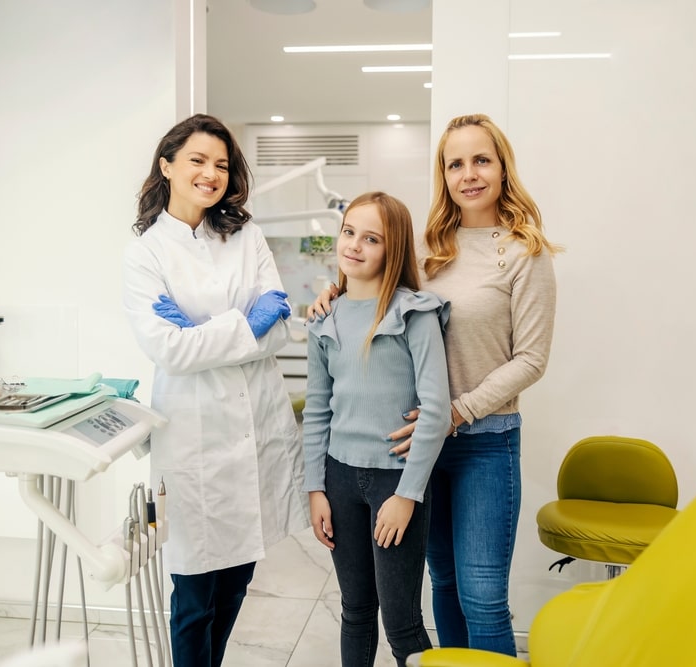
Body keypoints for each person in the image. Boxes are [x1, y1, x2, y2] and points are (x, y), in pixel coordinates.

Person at [309, 114, 558, 656]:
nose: (469, 174)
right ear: (443, 174)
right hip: (416, 448)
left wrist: (457, 411)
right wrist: (333, 294)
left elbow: (532, 359)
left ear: (502, 166)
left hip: (484, 442)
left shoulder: (523, 252)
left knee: (483, 596)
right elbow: (374, 286)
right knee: (440, 582)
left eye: (481, 160)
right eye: (455, 163)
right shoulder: (427, 245)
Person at [122, 113, 309, 667]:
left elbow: (279, 330)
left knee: (237, 582)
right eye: (198, 161)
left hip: (253, 429)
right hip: (193, 436)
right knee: (194, 597)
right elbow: (168, 351)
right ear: (167, 165)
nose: (211, 174)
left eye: (222, 164)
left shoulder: (245, 236)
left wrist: (203, 330)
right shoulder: (145, 254)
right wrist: (242, 323)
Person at [302, 191, 452, 667]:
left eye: (372, 239)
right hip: (339, 480)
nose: (355, 245)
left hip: (395, 482)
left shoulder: (415, 313)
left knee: (402, 622)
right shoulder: (324, 317)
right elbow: (317, 410)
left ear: (394, 249)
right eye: (349, 232)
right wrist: (315, 488)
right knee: (355, 611)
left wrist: (408, 495)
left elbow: (436, 409)